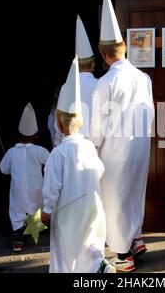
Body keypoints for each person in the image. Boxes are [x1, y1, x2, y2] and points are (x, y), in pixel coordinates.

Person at [90, 0, 155, 272]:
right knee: (134, 192)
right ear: (125, 47)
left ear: (104, 55)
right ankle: (137, 238)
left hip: (115, 151)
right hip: (140, 147)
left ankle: (122, 254)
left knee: (115, 200)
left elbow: (97, 125)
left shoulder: (104, 83)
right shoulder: (144, 78)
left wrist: (92, 149)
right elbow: (150, 113)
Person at [41, 56, 115, 273]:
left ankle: (90, 269)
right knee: (91, 244)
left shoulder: (58, 154)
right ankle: (97, 266)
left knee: (67, 252)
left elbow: (52, 186)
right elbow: (99, 171)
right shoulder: (89, 147)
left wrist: (46, 210)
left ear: (58, 123)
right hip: (92, 206)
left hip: (68, 211)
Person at [0, 103, 50, 252]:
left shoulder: (11, 152)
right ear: (36, 136)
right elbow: (51, 164)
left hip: (18, 190)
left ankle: (18, 238)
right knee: (36, 207)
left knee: (17, 210)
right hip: (36, 189)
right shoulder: (40, 151)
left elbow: (3, 169)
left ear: (18, 135)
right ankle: (35, 228)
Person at [75, 15, 98, 138]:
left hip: (73, 144)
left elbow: (59, 123)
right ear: (93, 65)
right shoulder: (101, 84)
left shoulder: (67, 87)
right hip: (96, 145)